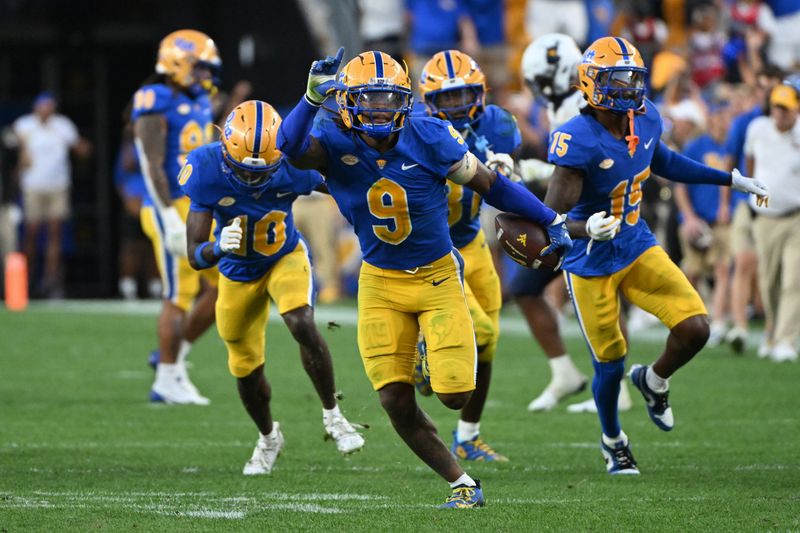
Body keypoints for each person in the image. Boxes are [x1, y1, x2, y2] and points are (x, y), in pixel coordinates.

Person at [277, 47, 573, 507]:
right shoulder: (331, 138)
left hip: (437, 277)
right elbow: (289, 147)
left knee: (455, 394)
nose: (379, 109)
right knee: (394, 400)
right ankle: (463, 484)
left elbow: (491, 186)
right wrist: (310, 98)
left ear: (405, 101)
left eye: (388, 99)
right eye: (368, 99)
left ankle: (433, 367)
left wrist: (548, 217)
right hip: (379, 283)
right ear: (346, 102)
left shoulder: (430, 134)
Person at [544, 36, 768, 475]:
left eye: (633, 77)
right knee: (609, 363)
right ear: (592, 84)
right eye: (617, 78)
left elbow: (662, 159)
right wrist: (582, 227)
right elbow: (549, 217)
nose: (629, 87)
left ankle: (654, 379)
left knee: (696, 328)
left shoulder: (643, 117)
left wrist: (729, 180)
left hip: (635, 243)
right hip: (590, 262)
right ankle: (613, 440)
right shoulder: (578, 139)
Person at [183, 100, 365, 474]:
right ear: (224, 148)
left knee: (300, 321)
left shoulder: (294, 164)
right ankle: (268, 437)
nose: (252, 179)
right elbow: (194, 255)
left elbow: (347, 184)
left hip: (284, 256)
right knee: (245, 368)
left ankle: (333, 416)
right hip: (237, 271)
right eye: (242, 171)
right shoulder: (204, 168)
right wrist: (217, 246)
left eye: (262, 171)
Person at [516, 33, 633, 415]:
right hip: (578, 219)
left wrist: (539, 171)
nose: (537, 89)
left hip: (594, 218)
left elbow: (589, 163)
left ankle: (618, 388)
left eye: (539, 81)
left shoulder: (579, 106)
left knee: (598, 297)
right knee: (526, 288)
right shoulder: (563, 105)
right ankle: (565, 372)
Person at [415, 49, 516, 461]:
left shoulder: (499, 125)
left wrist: (508, 169)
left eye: (464, 96)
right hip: (438, 247)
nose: (457, 106)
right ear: (429, 102)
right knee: (484, 333)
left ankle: (468, 436)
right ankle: (427, 357)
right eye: (448, 99)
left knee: (489, 345)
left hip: (473, 239)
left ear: (481, 93)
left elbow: (506, 177)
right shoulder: (419, 131)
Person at [132, 30, 221, 404]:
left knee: (224, 287)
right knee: (178, 294)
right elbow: (149, 162)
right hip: (169, 206)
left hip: (197, 205)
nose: (204, 74)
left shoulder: (199, 97)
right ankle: (166, 379)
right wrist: (167, 214)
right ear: (177, 62)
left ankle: (173, 358)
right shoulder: (153, 100)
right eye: (199, 66)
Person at [12, 92, 91, 298]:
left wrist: (84, 148)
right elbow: (14, 147)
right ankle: (27, 281)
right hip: (33, 186)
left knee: (55, 234)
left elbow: (80, 148)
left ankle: (51, 282)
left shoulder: (63, 125)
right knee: (31, 232)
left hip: (58, 185)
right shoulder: (24, 125)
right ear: (36, 107)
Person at [744, 83, 800, 362]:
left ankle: (786, 340)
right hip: (765, 218)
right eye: (776, 107)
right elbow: (750, 162)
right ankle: (771, 331)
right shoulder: (757, 128)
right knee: (769, 281)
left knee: (794, 279)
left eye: (785, 108)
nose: (780, 113)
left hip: (795, 217)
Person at [673, 104, 732, 346]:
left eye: (725, 116)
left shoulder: (731, 147)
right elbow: (680, 185)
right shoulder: (696, 146)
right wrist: (688, 218)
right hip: (695, 220)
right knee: (692, 272)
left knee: (722, 268)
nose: (721, 121)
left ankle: (717, 321)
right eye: (717, 115)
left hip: (720, 220)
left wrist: (727, 207)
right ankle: (689, 319)